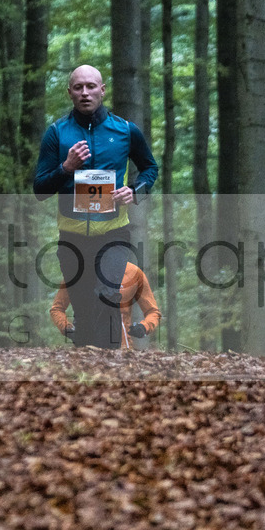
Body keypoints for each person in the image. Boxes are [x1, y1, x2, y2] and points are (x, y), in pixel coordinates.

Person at [33, 65, 158, 348]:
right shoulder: (56, 134)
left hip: (113, 232)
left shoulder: (125, 131)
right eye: (78, 87)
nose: (85, 93)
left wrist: (135, 191)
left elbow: (150, 168)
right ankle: (90, 373)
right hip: (72, 236)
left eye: (91, 86)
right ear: (70, 93)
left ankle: (108, 368)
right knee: (84, 306)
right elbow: (40, 190)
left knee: (107, 294)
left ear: (103, 90)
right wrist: (66, 168)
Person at [50, 262, 161, 350]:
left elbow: (153, 312)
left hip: (122, 349)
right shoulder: (78, 272)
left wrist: (144, 327)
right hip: (85, 348)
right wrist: (67, 328)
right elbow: (57, 308)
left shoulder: (133, 273)